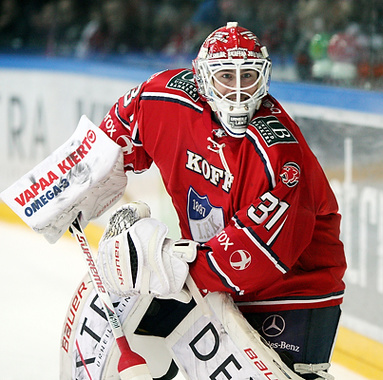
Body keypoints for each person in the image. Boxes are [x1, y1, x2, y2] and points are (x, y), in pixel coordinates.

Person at [95, 21, 346, 379]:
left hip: (292, 291)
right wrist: (82, 181)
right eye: (226, 75)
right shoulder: (167, 99)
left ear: (265, 77)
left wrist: (167, 264)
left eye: (249, 77)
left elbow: (256, 255)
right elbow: (119, 131)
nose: (239, 90)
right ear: (202, 78)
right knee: (134, 324)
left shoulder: (279, 154)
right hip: (211, 279)